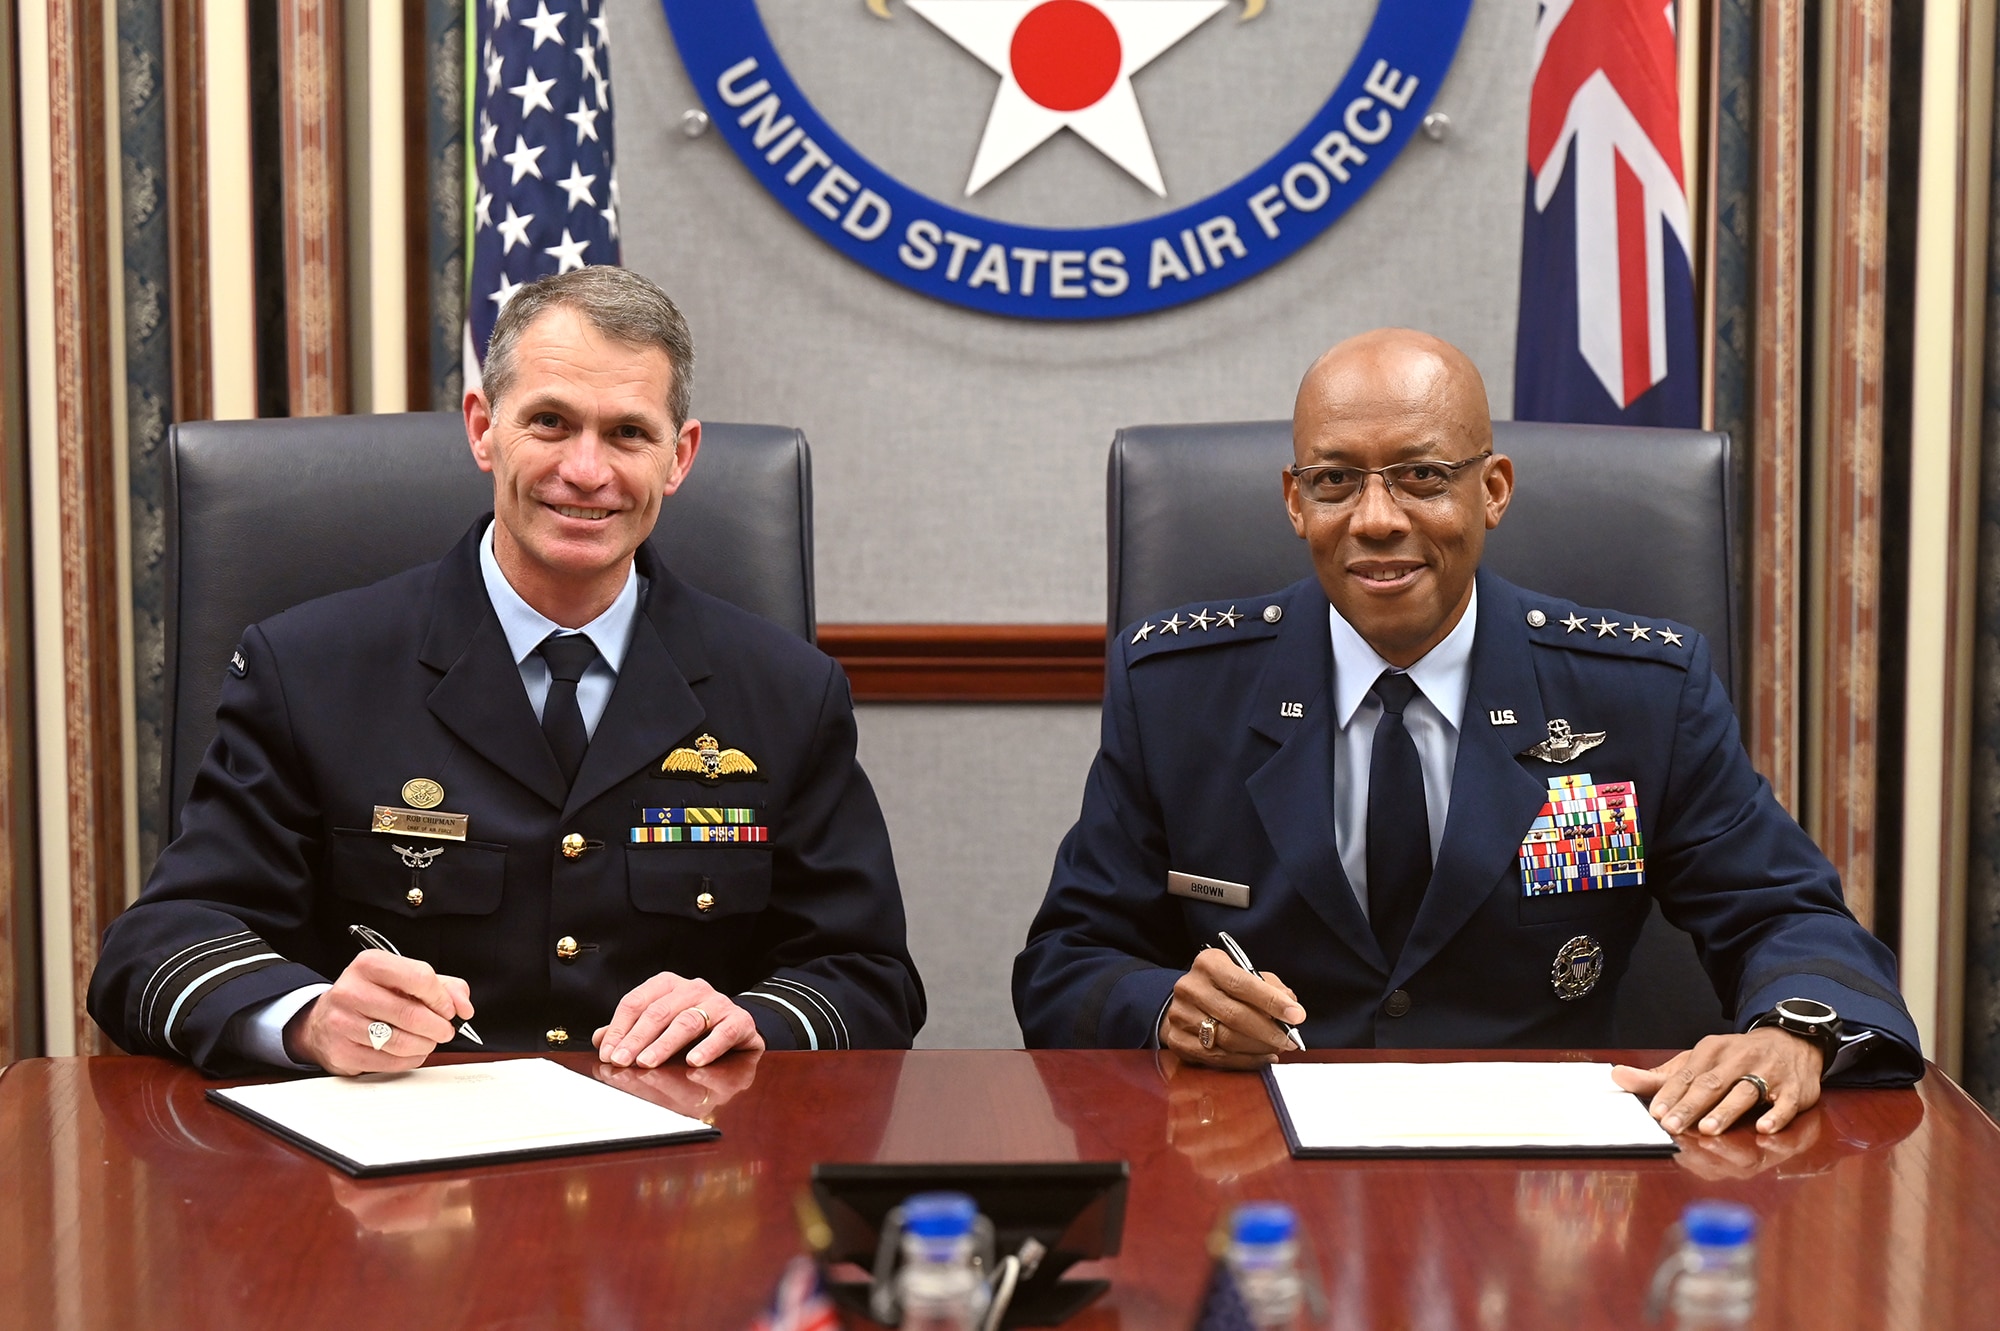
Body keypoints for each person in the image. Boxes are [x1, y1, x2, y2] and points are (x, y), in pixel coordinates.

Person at [1014, 328, 1921, 1137]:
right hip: (1254, 1165)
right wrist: (1163, 1004)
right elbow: (1065, 959)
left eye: (1422, 476)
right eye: (1335, 481)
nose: (1377, 520)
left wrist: (1791, 1030)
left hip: (1550, 1186)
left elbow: (1786, 914)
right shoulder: (1178, 689)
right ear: (1295, 503)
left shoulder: (1639, 691)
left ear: (1492, 490)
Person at [90, 267, 924, 1075]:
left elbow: (870, 975)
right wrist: (307, 1018)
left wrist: (753, 1020)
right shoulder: (311, 669)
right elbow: (158, 944)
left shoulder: (784, 690)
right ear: (483, 427)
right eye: (551, 422)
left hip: (681, 1173)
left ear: (680, 456)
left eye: (628, 432)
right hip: (397, 1174)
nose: (587, 471)